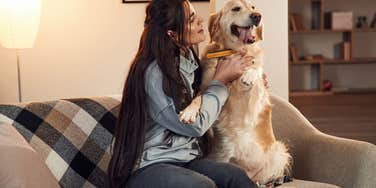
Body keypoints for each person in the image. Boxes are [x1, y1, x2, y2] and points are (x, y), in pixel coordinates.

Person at [108, 0, 260, 187]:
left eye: (196, 15)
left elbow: (206, 102)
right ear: (172, 34)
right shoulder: (154, 74)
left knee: (235, 176)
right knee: (203, 185)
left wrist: (252, 82)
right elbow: (195, 126)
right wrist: (220, 82)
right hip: (148, 166)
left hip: (184, 160)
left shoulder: (190, 63)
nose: (200, 21)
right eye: (191, 19)